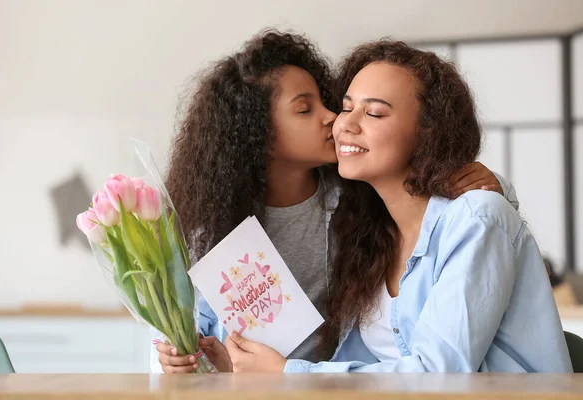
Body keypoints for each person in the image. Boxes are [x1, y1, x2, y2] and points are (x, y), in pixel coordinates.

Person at [152, 31, 518, 373]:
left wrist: (492, 186)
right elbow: (192, 334)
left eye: (369, 112)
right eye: (305, 109)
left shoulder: (359, 201)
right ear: (255, 134)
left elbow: (450, 207)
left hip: (327, 383)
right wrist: (183, 357)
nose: (335, 119)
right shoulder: (215, 226)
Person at [223, 39, 571, 373]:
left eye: (373, 113)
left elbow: (439, 374)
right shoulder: (369, 233)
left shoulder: (475, 219)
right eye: (346, 107)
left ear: (427, 131)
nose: (344, 123)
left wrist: (289, 374)